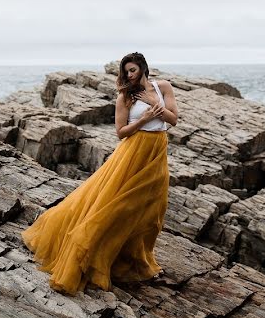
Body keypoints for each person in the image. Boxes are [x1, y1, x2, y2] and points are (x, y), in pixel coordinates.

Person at [21, 52, 179, 295]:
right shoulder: (125, 96)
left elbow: (173, 119)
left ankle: (135, 258)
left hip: (157, 151)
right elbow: (121, 132)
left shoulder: (163, 87)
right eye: (126, 71)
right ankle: (92, 253)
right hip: (132, 152)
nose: (129, 75)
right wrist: (143, 118)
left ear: (143, 68)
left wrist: (152, 103)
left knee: (151, 208)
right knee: (114, 204)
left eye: (133, 70)